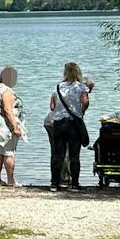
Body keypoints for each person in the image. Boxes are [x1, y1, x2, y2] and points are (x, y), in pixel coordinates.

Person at [47, 62, 94, 190]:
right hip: (73, 124)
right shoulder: (81, 87)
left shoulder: (58, 87)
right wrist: (81, 110)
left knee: (58, 155)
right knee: (74, 155)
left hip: (59, 123)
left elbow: (52, 106)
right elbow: (85, 102)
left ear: (65, 73)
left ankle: (54, 184)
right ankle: (75, 184)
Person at [0, 66, 25, 185]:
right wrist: (15, 127)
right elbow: (7, 109)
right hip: (6, 125)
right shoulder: (6, 91)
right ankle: (11, 180)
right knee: (9, 152)